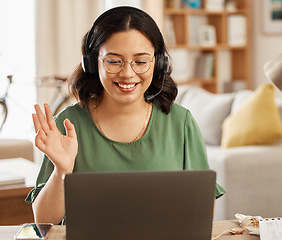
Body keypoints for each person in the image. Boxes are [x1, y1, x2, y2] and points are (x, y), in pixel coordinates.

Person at [26, 6, 226, 225]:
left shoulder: (181, 122)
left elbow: (205, 209)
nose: (128, 73)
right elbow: (44, 221)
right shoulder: (68, 124)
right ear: (93, 63)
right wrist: (62, 171)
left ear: (158, 63)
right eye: (114, 61)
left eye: (140, 61)